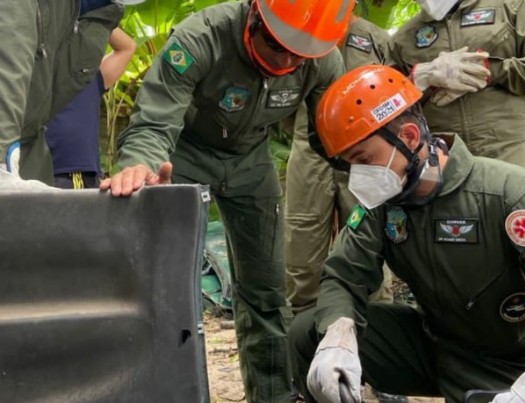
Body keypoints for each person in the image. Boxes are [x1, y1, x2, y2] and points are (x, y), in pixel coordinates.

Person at [288, 65, 525, 403]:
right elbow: (343, 275)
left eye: (363, 159)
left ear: (409, 137)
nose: (358, 177)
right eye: (349, 165)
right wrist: (338, 335)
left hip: (509, 364)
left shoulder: (509, 195)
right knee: (307, 334)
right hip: (431, 344)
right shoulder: (381, 202)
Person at [99, 1, 356, 401]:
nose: (287, 59)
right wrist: (139, 166)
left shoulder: (321, 57)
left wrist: (375, 165)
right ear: (255, 17)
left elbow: (334, 134)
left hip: (251, 160)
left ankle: (272, 395)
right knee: (160, 287)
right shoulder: (201, 37)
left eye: (299, 54)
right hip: (182, 153)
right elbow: (154, 120)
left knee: (267, 291)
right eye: (277, 47)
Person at [285, 15, 394, 315]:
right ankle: (305, 336)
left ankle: (377, 337)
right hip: (308, 147)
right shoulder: (299, 32)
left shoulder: (377, 38)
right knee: (301, 250)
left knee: (369, 244)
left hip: (365, 151)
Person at [391, 0, 525, 175]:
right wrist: (419, 79)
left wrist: (488, 70)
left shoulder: (510, 8)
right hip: (443, 174)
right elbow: (382, 112)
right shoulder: (403, 38)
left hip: (511, 166)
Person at [0, 0, 131, 185]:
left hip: (73, 168)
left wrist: (83, 13)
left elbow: (127, 47)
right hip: (47, 165)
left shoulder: (90, 75)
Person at [45, 28, 136, 189]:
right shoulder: (32, 74)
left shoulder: (92, 77)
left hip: (87, 178)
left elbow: (127, 47)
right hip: (43, 174)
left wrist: (93, 11)